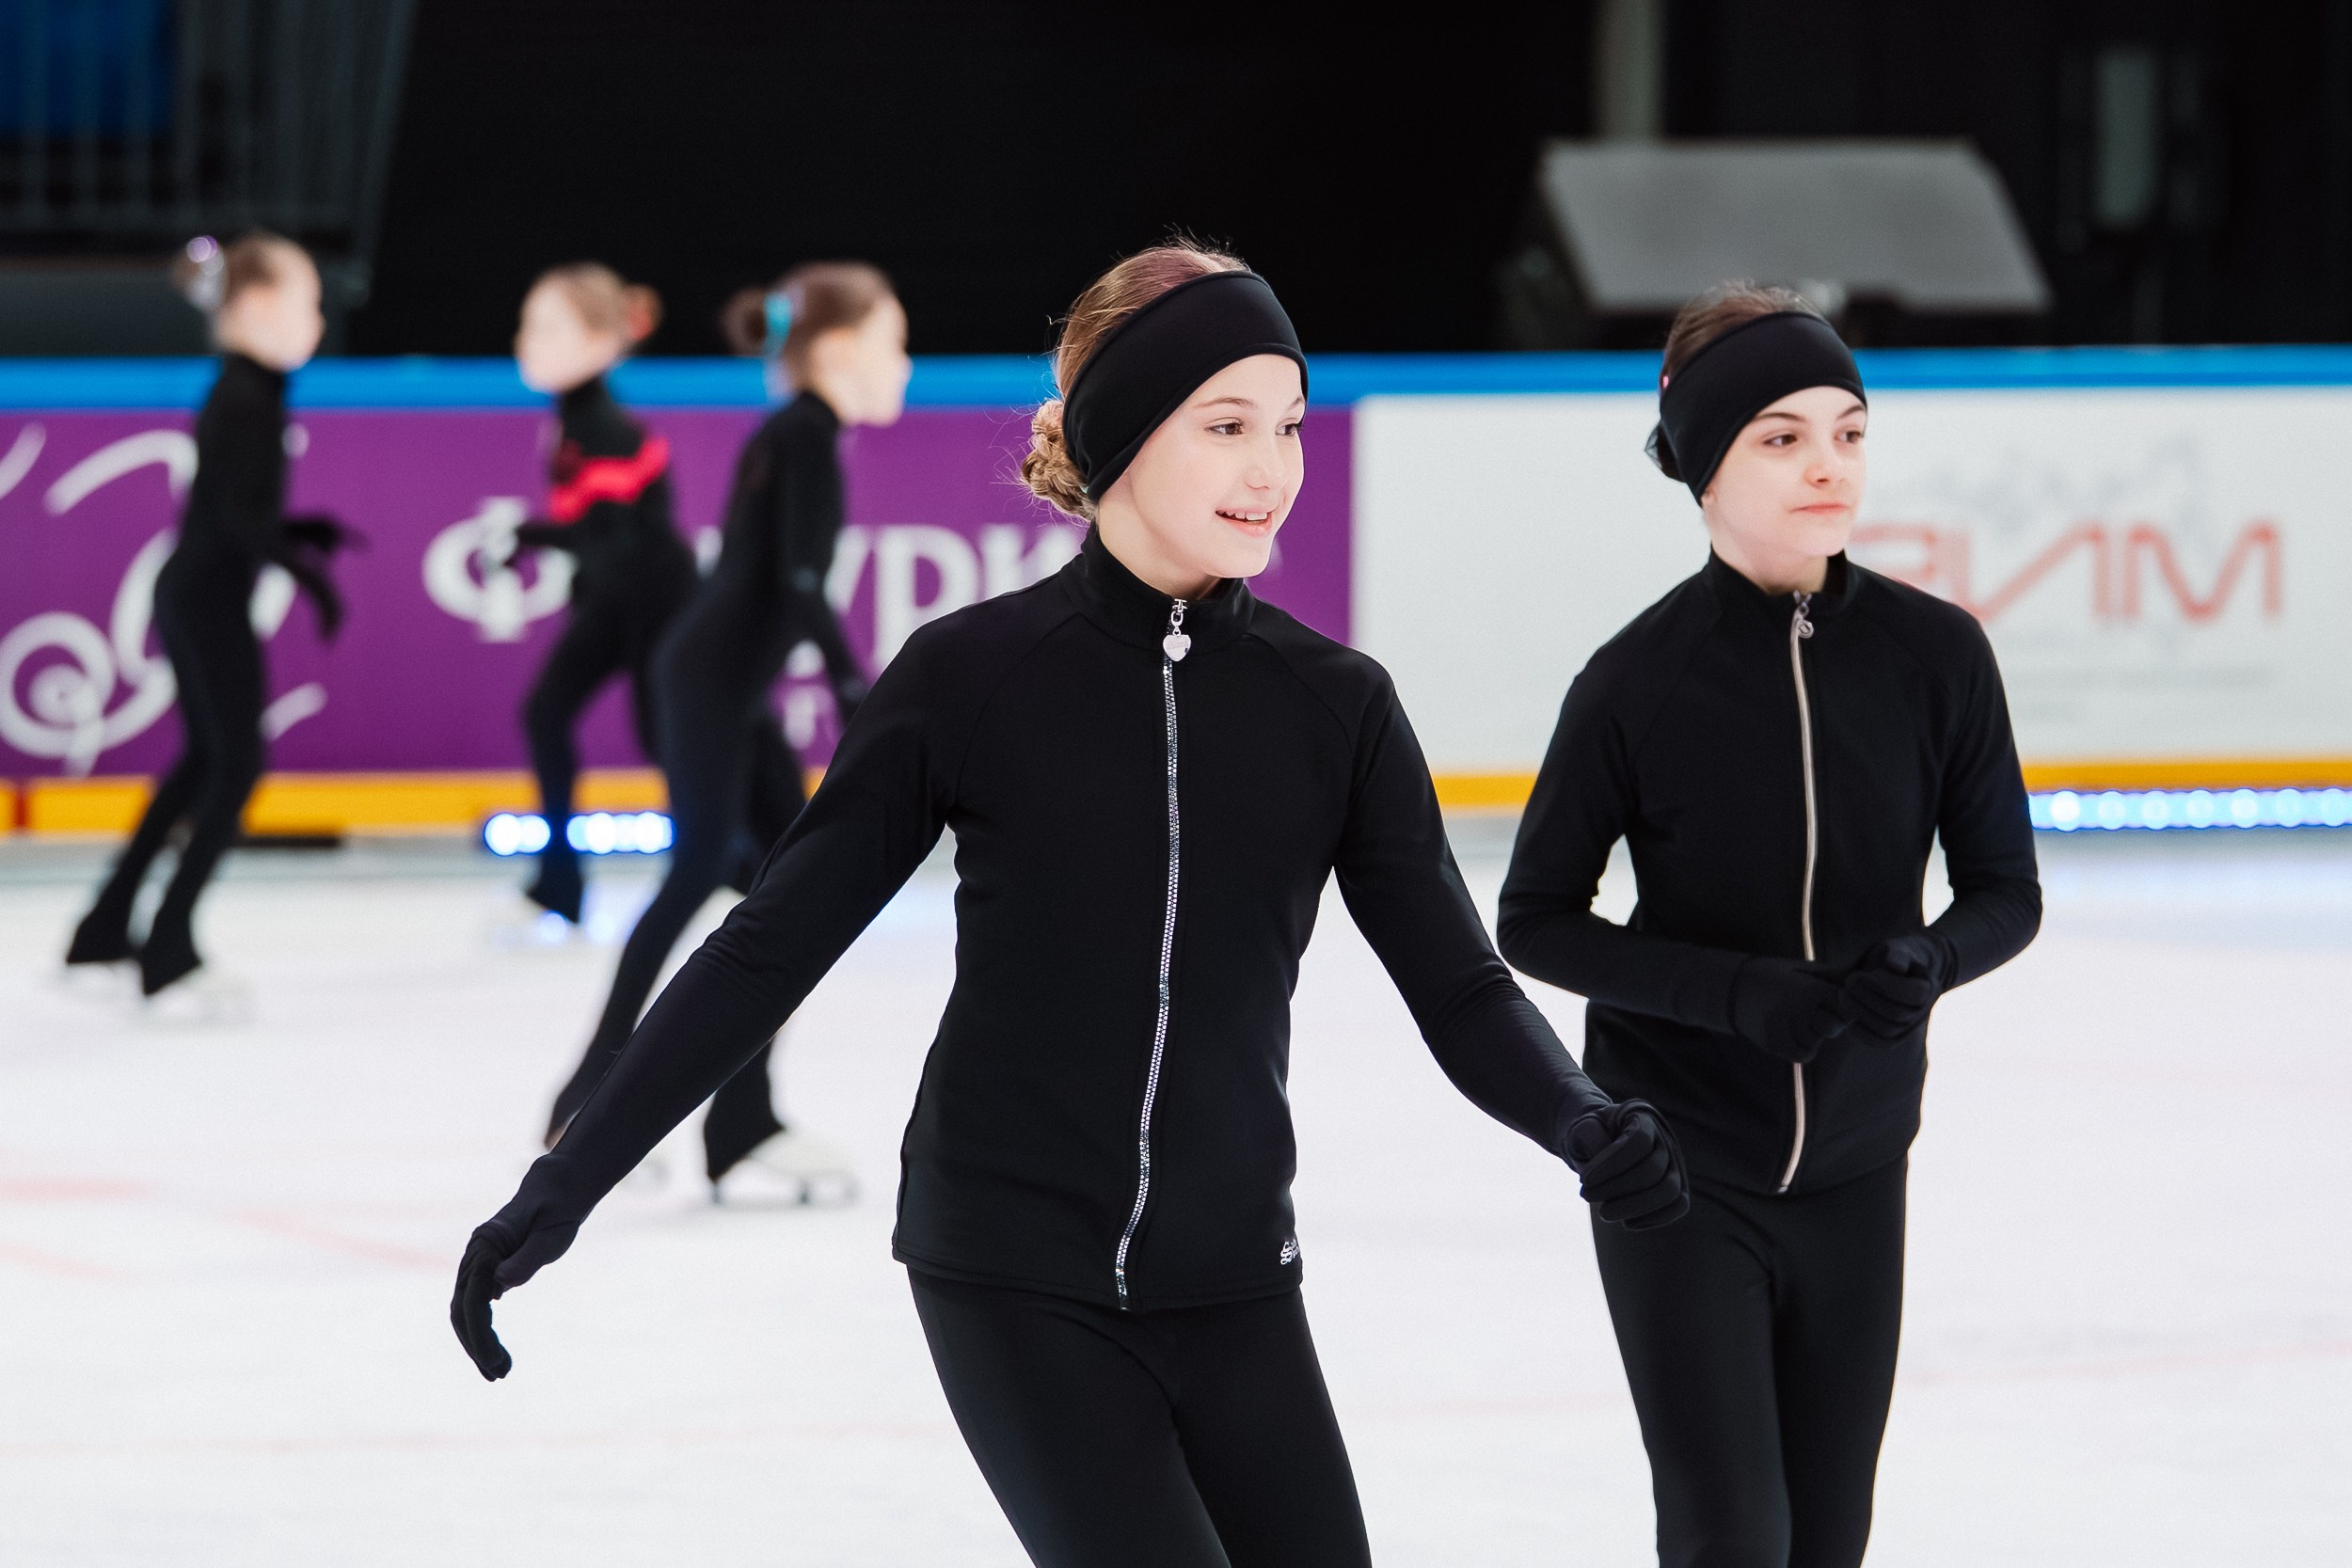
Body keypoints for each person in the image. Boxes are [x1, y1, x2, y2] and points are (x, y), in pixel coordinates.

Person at [452, 244, 1689, 1568]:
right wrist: (565, 1183)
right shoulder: (969, 677)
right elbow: (767, 948)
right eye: (1226, 426)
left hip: (1235, 1274)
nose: (1272, 468)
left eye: (1288, 426)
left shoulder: (1337, 707)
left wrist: (1578, 1116)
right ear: (1122, 431)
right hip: (1009, 1269)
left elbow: (1459, 982)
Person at [1497, 284, 2042, 1568]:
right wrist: (1735, 993)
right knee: (1732, 1532)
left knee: (1827, 1535)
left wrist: (1930, 958)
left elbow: (2006, 890)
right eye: (1782, 437)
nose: (1828, 465)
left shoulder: (1937, 655)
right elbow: (1536, 919)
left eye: (1848, 433)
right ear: (1704, 463)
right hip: (1680, 1166)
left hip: (1859, 1163)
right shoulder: (1635, 680)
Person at [542, 263, 907, 1195]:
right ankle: (589, 1104)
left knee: (790, 895)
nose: (905, 364)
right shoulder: (805, 434)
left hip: (722, 684)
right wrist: (855, 686)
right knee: (703, 873)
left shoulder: (797, 430)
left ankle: (739, 1120)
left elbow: (785, 581)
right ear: (838, 349)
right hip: (709, 683)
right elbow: (797, 581)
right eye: (894, 343)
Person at [64, 232, 353, 998]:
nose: (319, 319)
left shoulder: (248, 389)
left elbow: (236, 508)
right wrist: (306, 570)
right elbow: (236, 518)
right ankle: (168, 946)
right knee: (236, 765)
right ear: (256, 306)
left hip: (198, 588)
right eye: (308, 302)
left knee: (205, 760)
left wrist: (299, 535)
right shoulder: (247, 395)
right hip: (207, 595)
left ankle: (103, 928)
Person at [508, 264, 699, 924]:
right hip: (620, 599)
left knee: (661, 740)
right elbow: (600, 530)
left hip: (652, 603)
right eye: (527, 325)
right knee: (549, 715)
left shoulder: (606, 427)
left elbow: (616, 537)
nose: (526, 341)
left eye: (545, 327)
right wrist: (537, 536)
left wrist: (539, 536)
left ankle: (722, 863)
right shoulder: (577, 419)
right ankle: (559, 884)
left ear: (599, 341)